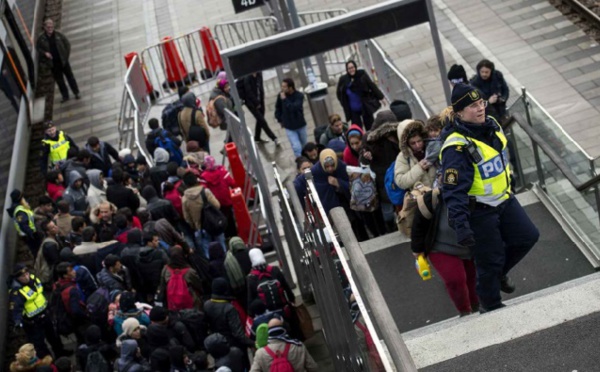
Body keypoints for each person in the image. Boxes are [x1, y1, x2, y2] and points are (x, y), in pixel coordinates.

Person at [440, 83, 539, 312]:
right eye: (473, 106)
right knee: (489, 261)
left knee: (527, 236)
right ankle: (491, 306)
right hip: (480, 210)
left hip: (504, 200)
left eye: (481, 103)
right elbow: (453, 191)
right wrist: (461, 225)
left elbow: (502, 157)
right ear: (459, 113)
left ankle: (499, 274)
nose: (480, 108)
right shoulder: (456, 148)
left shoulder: (492, 125)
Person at [411, 189, 478, 316]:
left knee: (472, 278)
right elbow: (418, 225)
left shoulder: (474, 192)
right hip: (440, 247)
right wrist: (417, 250)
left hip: (469, 246)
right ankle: (465, 311)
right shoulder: (432, 198)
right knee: (455, 279)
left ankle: (477, 306)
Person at [295, 149, 369, 241]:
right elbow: (298, 185)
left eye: (332, 165)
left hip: (347, 204)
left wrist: (338, 183)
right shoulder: (315, 171)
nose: (330, 169)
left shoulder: (341, 167)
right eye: (327, 166)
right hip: (330, 209)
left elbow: (355, 184)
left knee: (355, 225)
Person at [9, 264, 67, 358]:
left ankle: (60, 353)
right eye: (23, 276)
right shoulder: (17, 292)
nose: (26, 277)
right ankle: (48, 361)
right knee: (39, 345)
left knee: (54, 337)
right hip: (33, 322)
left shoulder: (34, 278)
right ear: (18, 278)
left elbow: (40, 290)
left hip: (45, 314)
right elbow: (16, 309)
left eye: (27, 274)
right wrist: (17, 321)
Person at [359, 110, 402, 231]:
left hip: (398, 174)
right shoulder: (369, 138)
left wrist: (395, 141)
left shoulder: (397, 135)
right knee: (387, 211)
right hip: (381, 180)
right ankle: (391, 227)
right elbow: (362, 159)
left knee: (401, 204)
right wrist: (366, 157)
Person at [250, 318, 319, 372]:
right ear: (284, 330)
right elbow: (313, 368)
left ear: (269, 333)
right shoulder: (298, 346)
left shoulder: (260, 353)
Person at [36, 19, 80, 103]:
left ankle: (76, 92)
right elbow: (38, 49)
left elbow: (67, 44)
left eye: (51, 26)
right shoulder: (41, 39)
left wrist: (65, 57)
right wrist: (45, 53)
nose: (50, 28)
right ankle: (65, 96)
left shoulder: (59, 35)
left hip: (63, 62)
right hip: (53, 64)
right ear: (45, 27)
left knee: (70, 77)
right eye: (48, 27)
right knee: (60, 81)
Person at [181, 171, 224, 257]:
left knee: (207, 252)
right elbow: (217, 205)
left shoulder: (184, 199)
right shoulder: (205, 192)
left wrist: (195, 225)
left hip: (201, 228)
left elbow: (187, 218)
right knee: (222, 247)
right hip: (214, 224)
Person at [336, 60, 384, 131]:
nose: (351, 70)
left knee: (370, 127)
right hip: (353, 110)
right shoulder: (343, 80)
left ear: (355, 67)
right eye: (349, 68)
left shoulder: (362, 74)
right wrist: (344, 104)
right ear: (347, 70)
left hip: (365, 107)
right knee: (356, 129)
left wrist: (381, 97)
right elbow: (339, 93)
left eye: (352, 67)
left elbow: (372, 85)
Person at [393, 119, 437, 190]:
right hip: (421, 198)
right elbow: (400, 181)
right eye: (413, 143)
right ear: (406, 144)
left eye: (419, 141)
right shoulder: (403, 157)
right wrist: (419, 168)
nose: (417, 145)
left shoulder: (432, 147)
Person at [200, 155, 237, 238]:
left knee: (219, 218)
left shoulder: (203, 177)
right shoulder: (223, 172)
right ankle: (234, 235)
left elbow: (204, 190)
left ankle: (225, 236)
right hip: (227, 200)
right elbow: (232, 183)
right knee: (230, 218)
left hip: (215, 203)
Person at [158, 245, 203, 310]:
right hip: (190, 304)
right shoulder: (190, 271)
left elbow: (162, 286)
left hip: (172, 304)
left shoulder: (165, 269)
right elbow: (198, 286)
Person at [242, 72, 279, 144]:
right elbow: (249, 92)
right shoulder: (247, 78)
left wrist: (261, 100)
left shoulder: (259, 74)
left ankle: (257, 137)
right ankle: (274, 138)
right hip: (251, 103)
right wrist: (256, 103)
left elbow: (260, 88)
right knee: (262, 120)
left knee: (260, 119)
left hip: (260, 100)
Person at [275, 78, 307, 157]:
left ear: (290, 87)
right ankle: (300, 161)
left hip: (300, 125)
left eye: (284, 87)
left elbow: (294, 108)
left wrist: (285, 99)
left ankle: (306, 159)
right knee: (296, 146)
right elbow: (278, 108)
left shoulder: (299, 96)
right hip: (289, 126)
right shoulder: (280, 96)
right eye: (282, 86)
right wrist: (280, 120)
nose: (282, 89)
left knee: (304, 146)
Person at [7, 189, 42, 257]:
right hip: (31, 235)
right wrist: (31, 233)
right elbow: (23, 224)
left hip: (31, 234)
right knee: (38, 252)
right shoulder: (19, 211)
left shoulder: (20, 208)